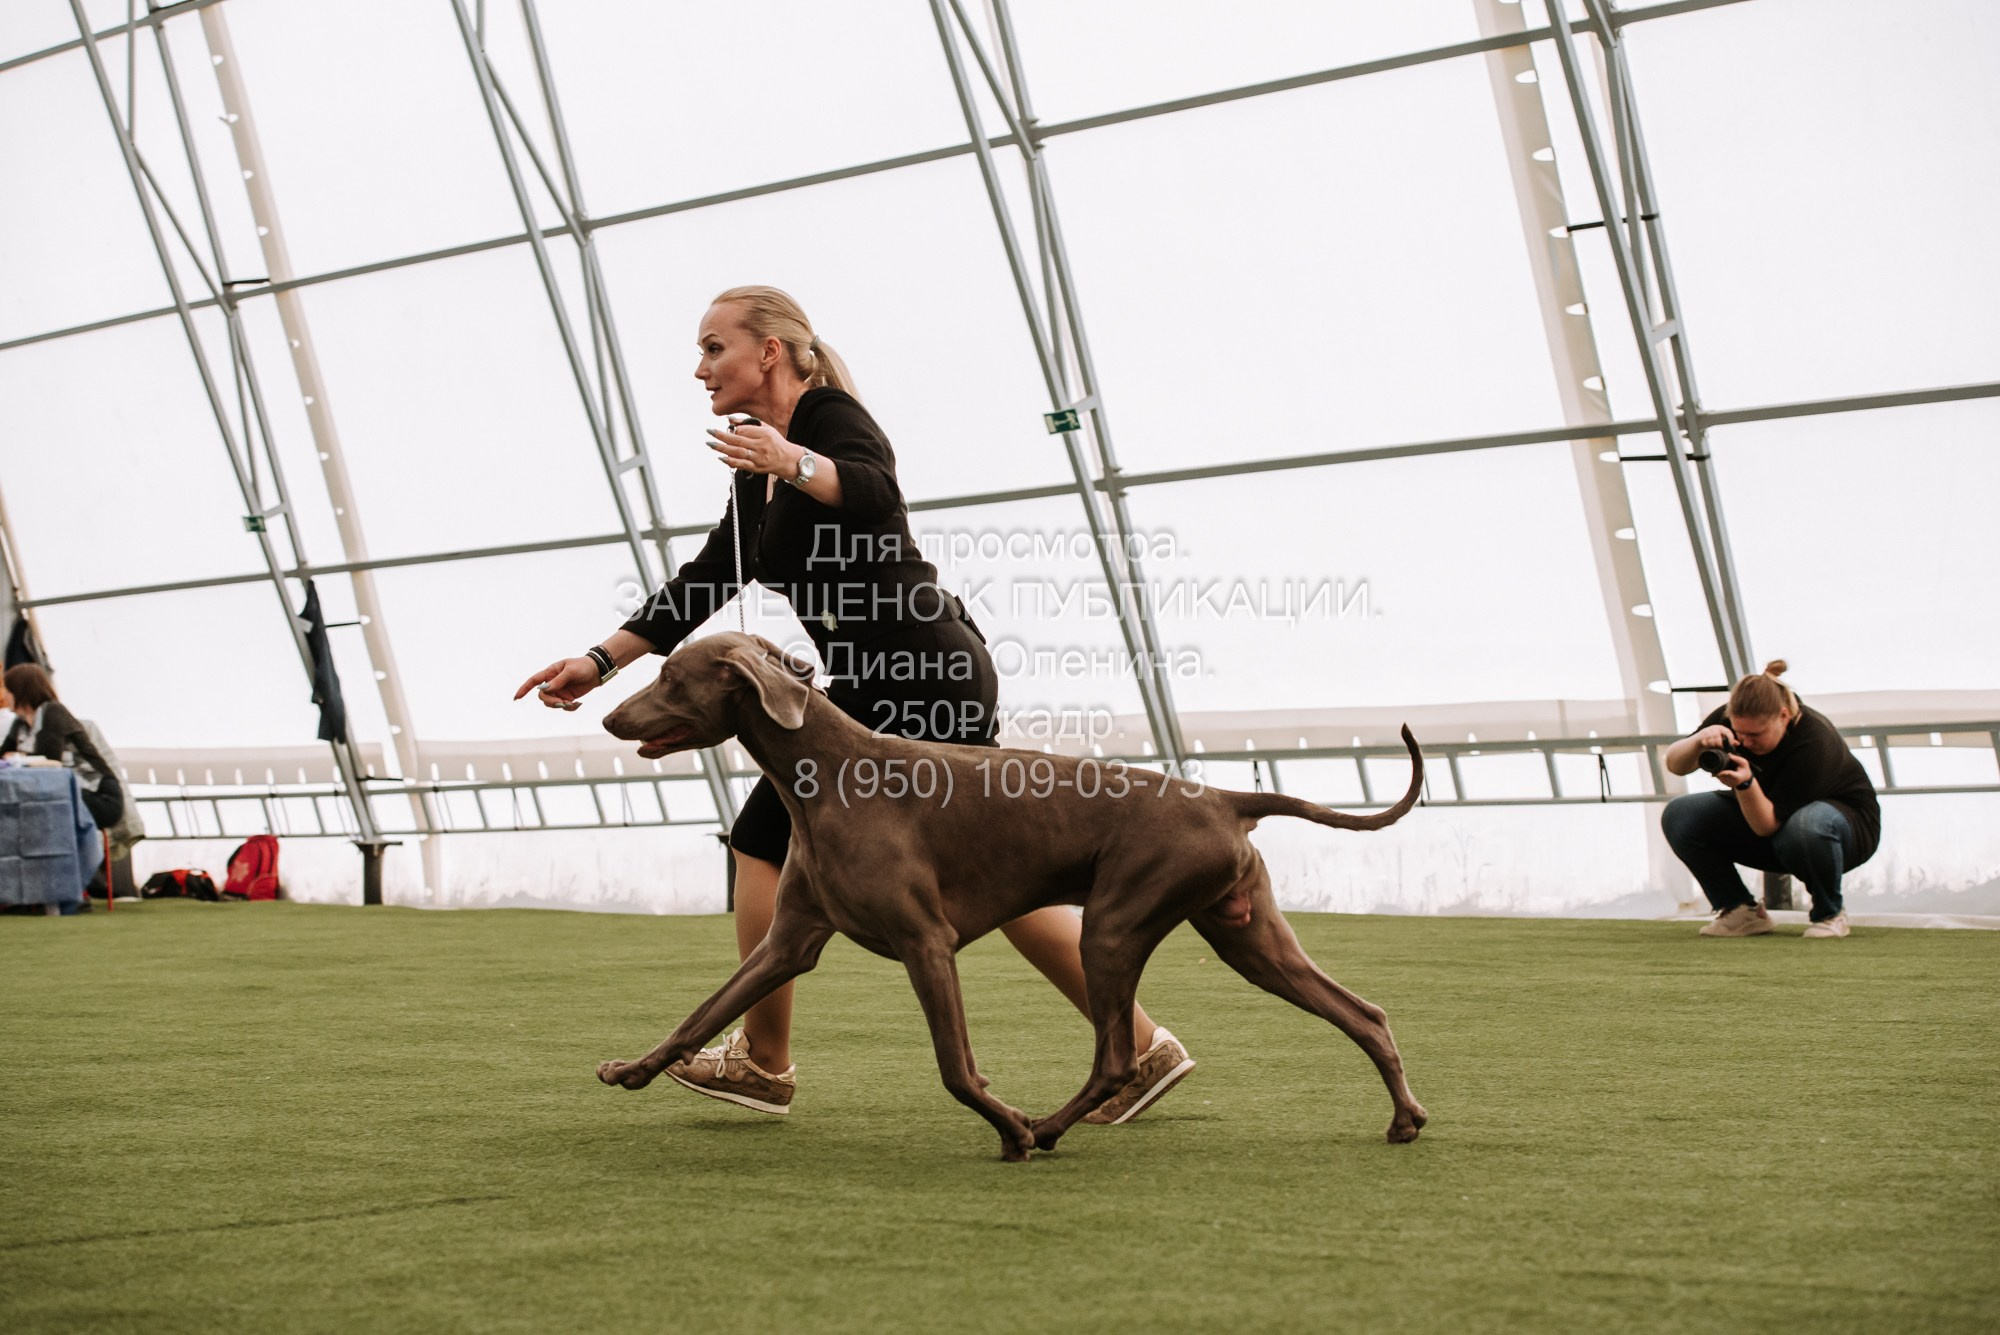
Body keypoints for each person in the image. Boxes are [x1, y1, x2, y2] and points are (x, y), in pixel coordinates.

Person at [516, 286, 1194, 1122]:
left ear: (769, 351)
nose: (700, 369)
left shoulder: (830, 418)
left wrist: (789, 461)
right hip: (875, 681)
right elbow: (712, 573)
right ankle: (1144, 1046)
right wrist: (600, 660)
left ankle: (765, 1064)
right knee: (967, 868)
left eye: (713, 347)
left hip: (921, 669)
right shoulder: (758, 464)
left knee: (770, 839)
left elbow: (874, 492)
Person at [1660, 660, 1879, 939]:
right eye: (1739, 733)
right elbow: (1675, 765)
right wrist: (1700, 739)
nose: (1745, 741)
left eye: (1755, 735)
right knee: (1681, 813)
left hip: (1845, 832)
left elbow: (1769, 826)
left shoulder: (1814, 741)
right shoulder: (1733, 716)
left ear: (1783, 716)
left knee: (1806, 824)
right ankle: (1739, 911)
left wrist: (1745, 784)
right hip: (1777, 826)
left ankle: (1830, 914)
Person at [3, 663, 127, 896]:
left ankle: (70, 889)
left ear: (20, 690)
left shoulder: (53, 713)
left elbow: (51, 761)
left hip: (97, 795)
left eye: (7, 689)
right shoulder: (20, 724)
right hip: (59, 796)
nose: (4, 695)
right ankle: (27, 891)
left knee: (41, 817)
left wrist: (18, 758)